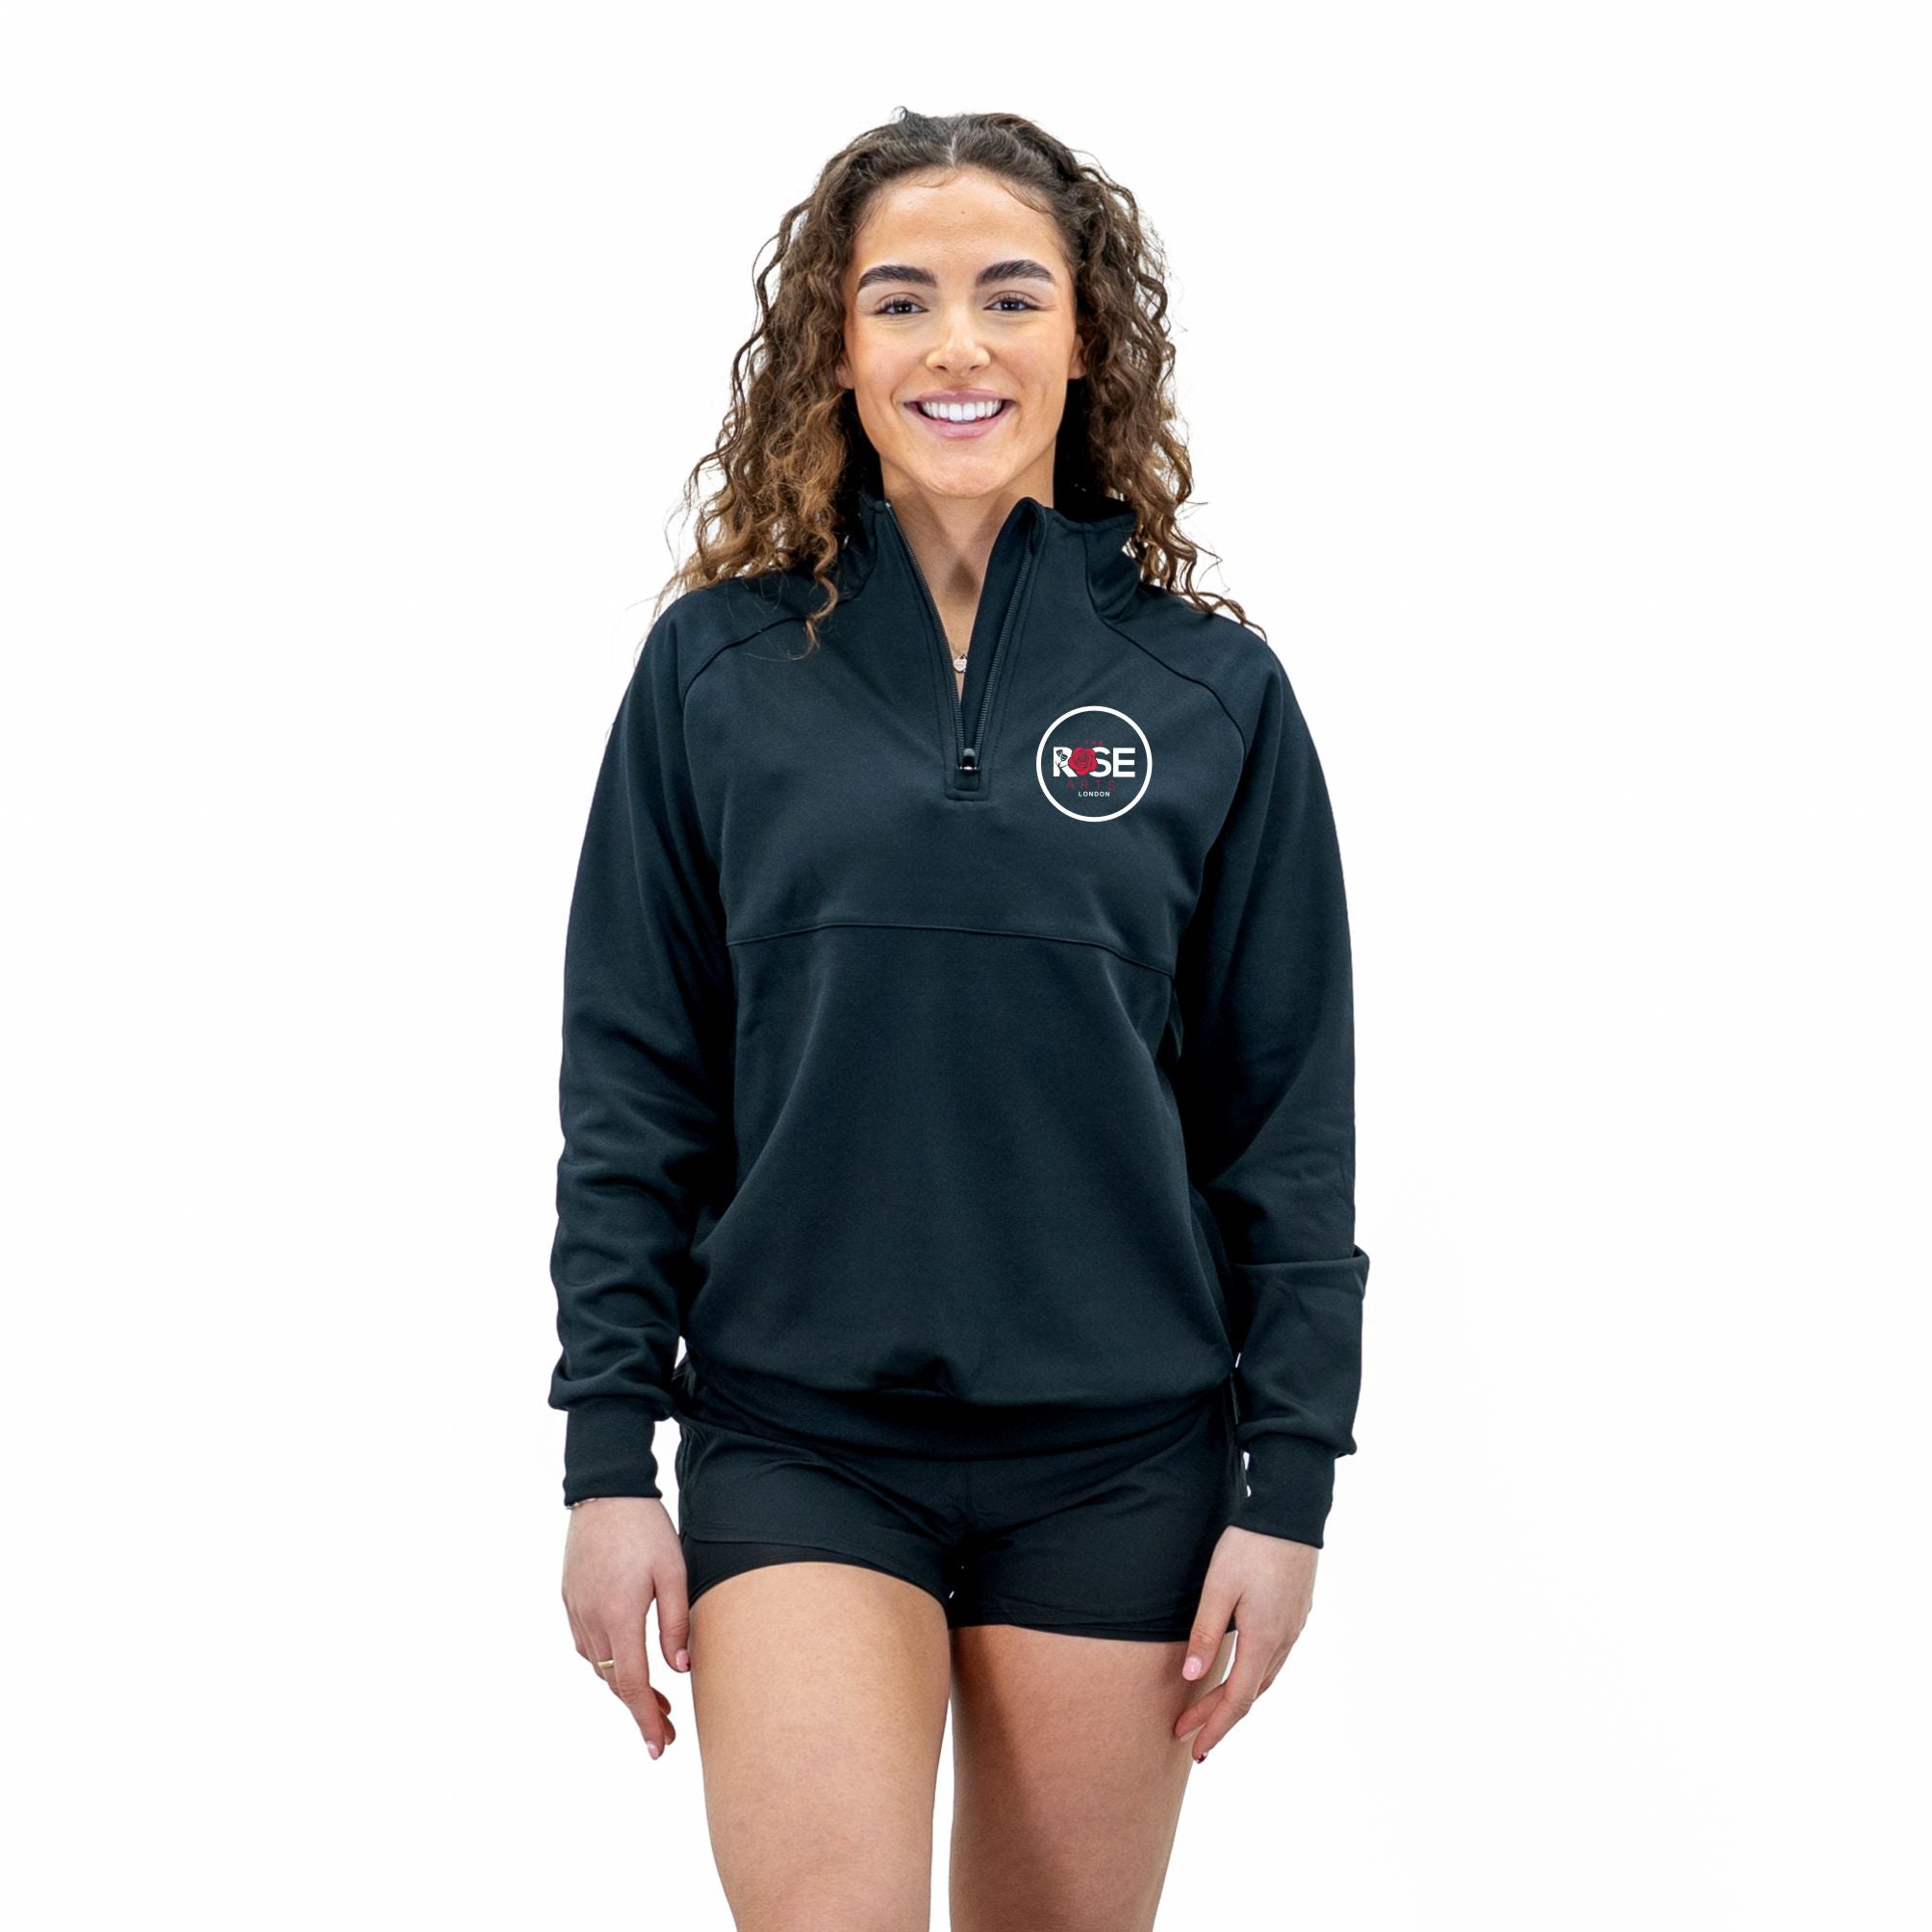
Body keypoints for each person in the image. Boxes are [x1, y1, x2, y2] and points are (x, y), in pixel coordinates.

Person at [547, 108, 1370, 1930]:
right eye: (900, 300)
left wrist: (1290, 1485)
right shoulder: (715, 669)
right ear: (836, 349)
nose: (957, 346)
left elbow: (1285, 1121)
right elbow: (635, 1087)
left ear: (1085, 337)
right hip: (798, 1437)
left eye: (1010, 295)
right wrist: (609, 1461)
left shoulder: (1212, 693)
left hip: (1125, 1454)